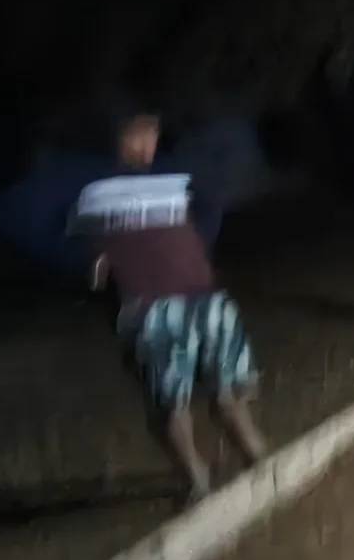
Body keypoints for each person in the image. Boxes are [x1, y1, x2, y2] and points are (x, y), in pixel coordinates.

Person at [79, 108, 268, 506]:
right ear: (118, 138)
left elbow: (209, 201)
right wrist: (97, 273)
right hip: (151, 307)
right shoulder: (92, 187)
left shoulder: (170, 175)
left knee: (229, 390)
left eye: (152, 134)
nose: (147, 142)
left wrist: (198, 244)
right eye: (138, 134)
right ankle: (198, 481)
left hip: (202, 295)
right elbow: (76, 244)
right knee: (169, 404)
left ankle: (260, 460)